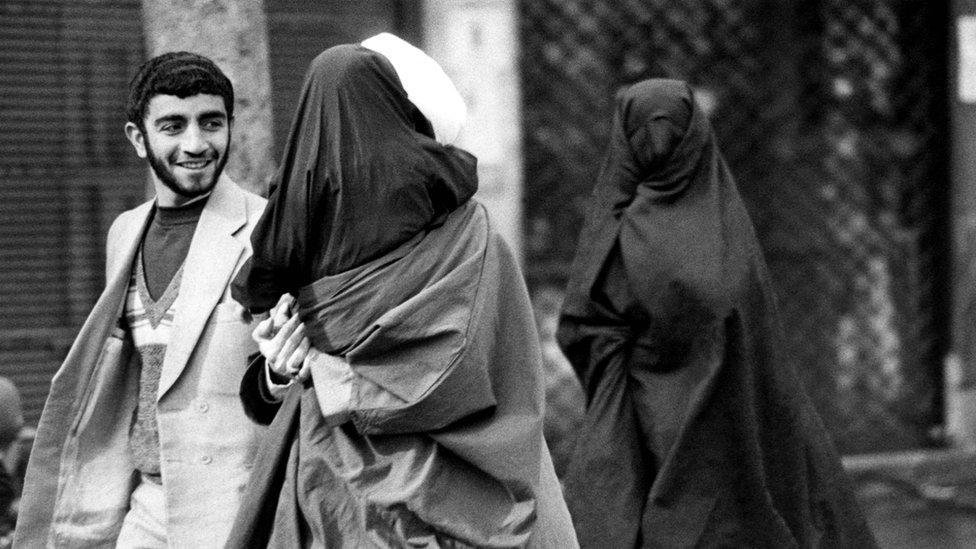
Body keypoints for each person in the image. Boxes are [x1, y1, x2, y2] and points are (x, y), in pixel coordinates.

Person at [226, 34, 578, 548]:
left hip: (336, 502)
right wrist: (278, 374)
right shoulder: (471, 238)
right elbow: (491, 370)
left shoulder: (292, 233)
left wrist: (308, 373)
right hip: (463, 502)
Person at [557, 79, 878, 547]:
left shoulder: (614, 223)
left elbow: (581, 318)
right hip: (722, 414)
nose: (658, 142)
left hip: (650, 412)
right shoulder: (725, 227)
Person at [15, 52, 268, 548]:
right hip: (147, 502)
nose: (195, 144)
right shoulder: (125, 231)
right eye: (173, 125)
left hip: (232, 505)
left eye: (211, 123)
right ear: (138, 138)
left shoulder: (268, 230)